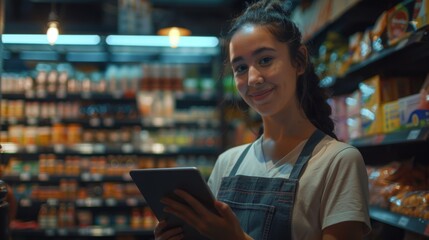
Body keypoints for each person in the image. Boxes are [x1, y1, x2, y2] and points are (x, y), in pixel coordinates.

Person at [154, 0, 371, 239]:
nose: (253, 79)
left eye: (265, 60)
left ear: (298, 61)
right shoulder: (227, 163)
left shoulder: (338, 162)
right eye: (240, 68)